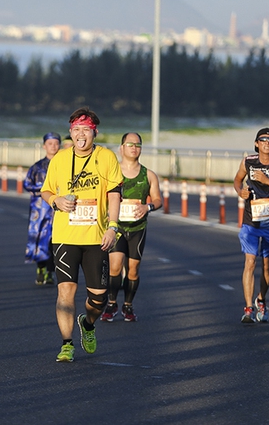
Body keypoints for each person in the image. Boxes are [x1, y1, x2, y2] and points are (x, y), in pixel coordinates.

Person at [41, 106, 123, 362]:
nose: (80, 135)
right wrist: (56, 201)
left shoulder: (106, 157)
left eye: (85, 130)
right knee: (65, 291)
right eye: (76, 129)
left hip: (96, 238)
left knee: (98, 298)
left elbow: (114, 195)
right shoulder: (60, 159)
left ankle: (87, 324)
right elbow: (46, 191)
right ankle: (66, 344)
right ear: (70, 132)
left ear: (94, 132)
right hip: (65, 236)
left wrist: (113, 226)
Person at [101, 133, 162, 323]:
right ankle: (111, 304)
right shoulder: (112, 173)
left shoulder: (148, 175)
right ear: (121, 148)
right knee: (115, 266)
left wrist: (148, 206)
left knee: (133, 269)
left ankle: (128, 305)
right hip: (116, 228)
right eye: (130, 144)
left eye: (137, 145)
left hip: (138, 228)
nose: (134, 148)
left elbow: (158, 199)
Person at [233, 127, 269, 323]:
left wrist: (268, 181)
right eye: (263, 140)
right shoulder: (248, 161)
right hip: (251, 220)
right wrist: (240, 191)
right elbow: (237, 180)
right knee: (249, 262)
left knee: (267, 267)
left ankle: (261, 299)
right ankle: (248, 308)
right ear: (256, 143)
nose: (267, 143)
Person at [24, 132, 61, 286]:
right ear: (44, 146)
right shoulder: (37, 167)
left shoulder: (64, 164)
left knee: (55, 241)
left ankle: (51, 272)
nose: (53, 146)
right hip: (39, 211)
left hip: (58, 210)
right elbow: (27, 184)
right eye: (50, 143)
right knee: (39, 239)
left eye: (56, 143)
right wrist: (42, 190)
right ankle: (40, 268)